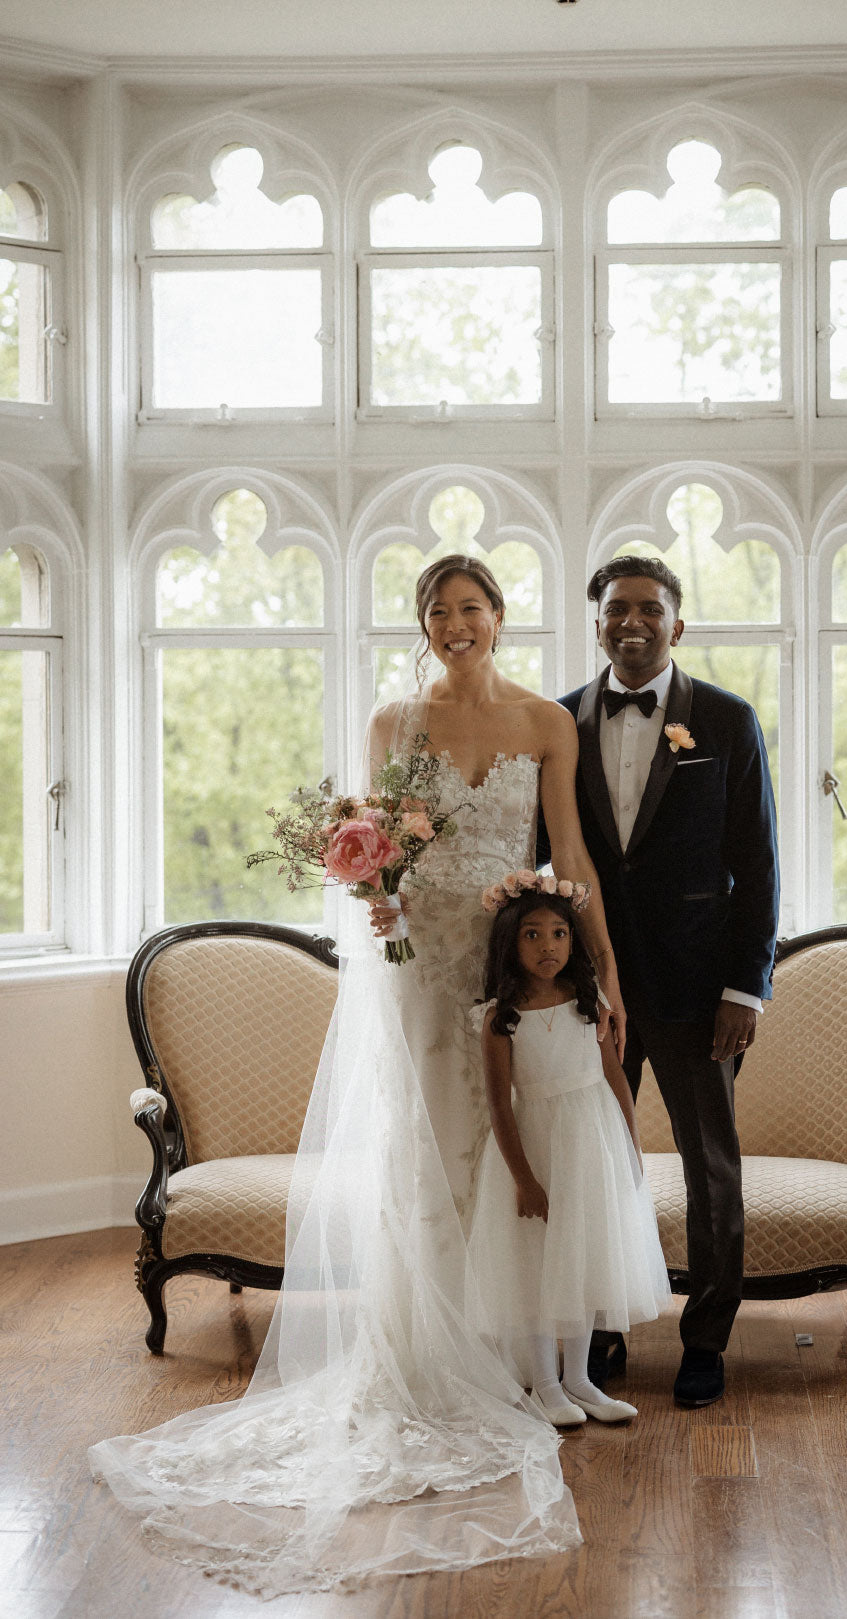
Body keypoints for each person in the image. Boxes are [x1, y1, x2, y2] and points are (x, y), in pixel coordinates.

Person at [90, 554, 627, 1596]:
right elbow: (379, 849)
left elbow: (571, 853)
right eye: (438, 612)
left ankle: (523, 1359)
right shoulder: (396, 718)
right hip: (424, 963)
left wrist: (603, 971)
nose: (456, 624)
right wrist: (376, 895)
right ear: (424, 626)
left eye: (471, 608)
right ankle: (439, 1357)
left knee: (522, 1145)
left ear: (502, 618)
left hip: (519, 959)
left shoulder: (546, 724)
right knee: (438, 1150)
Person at [547, 555, 780, 1409]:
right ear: (597, 621)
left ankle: (706, 1339)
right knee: (596, 1162)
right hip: (586, 989)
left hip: (696, 987)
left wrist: (744, 988)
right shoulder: (560, 722)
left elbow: (756, 866)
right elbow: (546, 852)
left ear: (677, 625)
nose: (631, 621)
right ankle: (601, 1330)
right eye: (616, 608)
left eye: (650, 608)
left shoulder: (727, 719)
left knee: (709, 1167)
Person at [466, 880, 670, 1429]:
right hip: (535, 1144)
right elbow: (500, 1109)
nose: (547, 946)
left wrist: (630, 1146)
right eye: (532, 934)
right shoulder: (499, 1018)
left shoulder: (591, 1004)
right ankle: (546, 1384)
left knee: (583, 1259)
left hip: (591, 1144)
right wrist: (524, 1180)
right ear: (510, 943)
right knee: (536, 1265)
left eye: (558, 933)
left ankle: (580, 1379)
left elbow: (616, 1081)